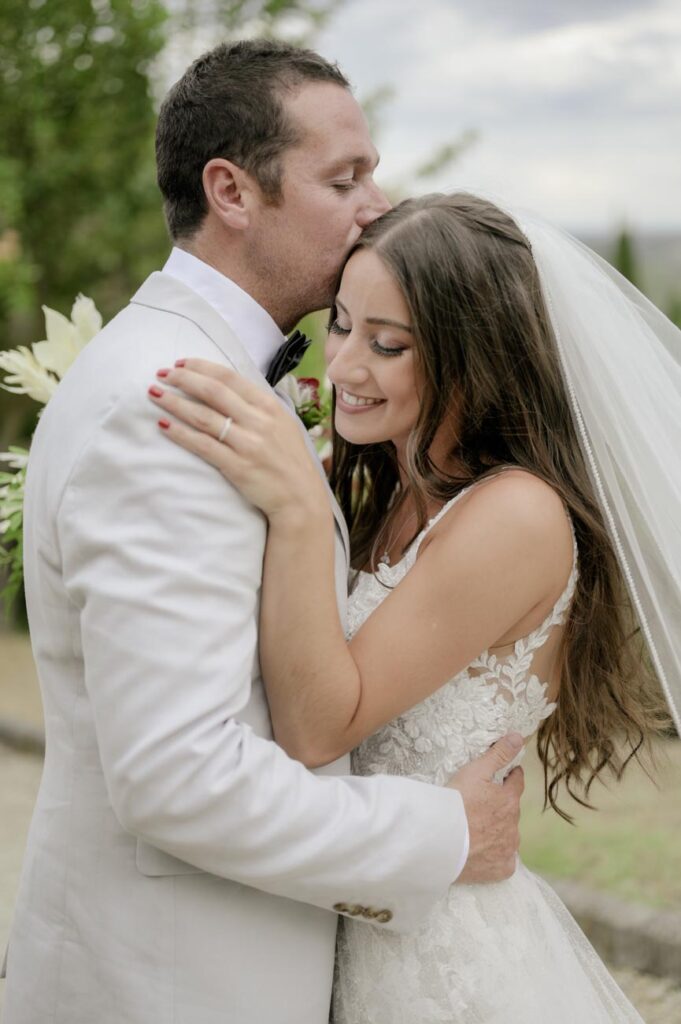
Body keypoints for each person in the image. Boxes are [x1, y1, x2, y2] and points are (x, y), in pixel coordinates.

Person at [1, 45, 525, 1024]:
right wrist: (441, 835)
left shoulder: (213, 378)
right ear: (232, 191)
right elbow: (180, 776)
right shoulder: (170, 405)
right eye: (345, 177)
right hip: (172, 986)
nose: (378, 202)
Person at [149, 191, 680, 1023]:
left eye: (389, 345)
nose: (346, 367)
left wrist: (292, 507)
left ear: (475, 356)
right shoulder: (398, 487)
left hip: (445, 963)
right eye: (343, 324)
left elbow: (322, 725)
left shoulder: (515, 515)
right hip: (359, 915)